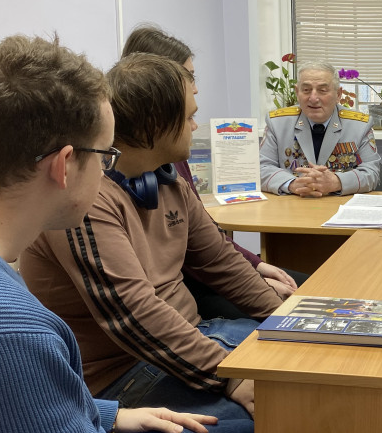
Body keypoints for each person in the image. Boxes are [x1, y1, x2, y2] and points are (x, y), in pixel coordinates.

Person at [0, 34, 367, 433]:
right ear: (64, 165)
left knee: (250, 431)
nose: (112, 170)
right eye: (105, 155)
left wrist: (107, 414)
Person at [20, 53, 282, 424]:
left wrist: (284, 321)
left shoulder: (168, 182)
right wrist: (229, 376)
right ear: (157, 124)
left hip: (192, 339)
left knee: (304, 364)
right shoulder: (86, 202)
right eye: (189, 117)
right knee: (280, 411)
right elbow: (134, 313)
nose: (195, 126)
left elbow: (221, 261)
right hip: (124, 375)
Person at [121, 24, 302, 298]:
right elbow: (193, 252)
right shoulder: (121, 183)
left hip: (207, 274)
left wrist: (256, 265)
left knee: (309, 286)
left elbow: (206, 237)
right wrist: (258, 284)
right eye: (188, 77)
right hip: (193, 284)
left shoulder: (171, 160)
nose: (195, 89)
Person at [259, 61, 382, 196]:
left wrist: (336, 182)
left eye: (322, 90)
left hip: (338, 203)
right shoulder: (277, 123)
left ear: (338, 94)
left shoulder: (359, 125)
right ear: (297, 92)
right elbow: (261, 168)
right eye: (306, 90)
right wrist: (292, 184)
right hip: (294, 202)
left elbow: (372, 172)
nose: (313, 98)